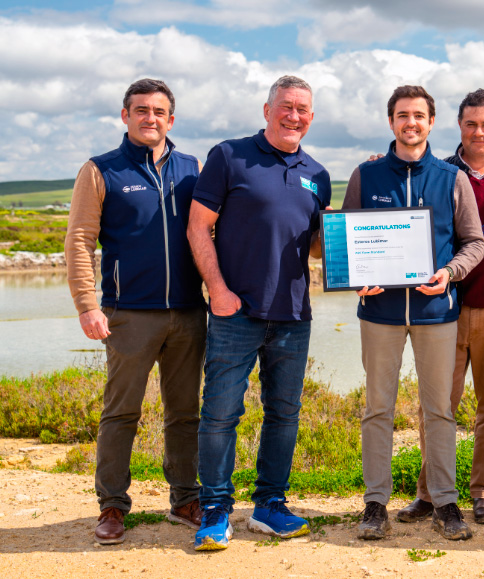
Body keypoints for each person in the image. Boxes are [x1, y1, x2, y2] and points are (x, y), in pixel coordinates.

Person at [187, 75, 331, 551]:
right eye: (286, 106)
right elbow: (197, 227)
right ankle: (215, 509)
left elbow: (313, 247)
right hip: (236, 311)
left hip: (293, 313)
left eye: (303, 109)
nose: (295, 115)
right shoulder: (230, 155)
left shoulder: (318, 173)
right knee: (221, 413)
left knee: (284, 415)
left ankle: (269, 504)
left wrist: (345, 234)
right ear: (266, 109)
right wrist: (218, 290)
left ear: (311, 116)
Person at [65, 78, 207, 545]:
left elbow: (213, 232)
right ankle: (112, 505)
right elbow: (81, 241)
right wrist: (88, 305)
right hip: (128, 314)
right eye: (141, 110)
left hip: (189, 313)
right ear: (125, 116)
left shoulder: (193, 167)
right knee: (121, 413)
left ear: (172, 119)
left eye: (159, 111)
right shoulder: (100, 170)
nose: (151, 118)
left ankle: (185, 498)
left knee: (185, 412)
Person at [343, 85, 484, 541]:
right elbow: (344, 241)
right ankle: (374, 504)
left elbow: (474, 243)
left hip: (435, 312)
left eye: (419, 115)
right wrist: (355, 275)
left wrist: (449, 272)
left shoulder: (451, 177)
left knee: (439, 410)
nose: (411, 122)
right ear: (391, 122)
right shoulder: (366, 176)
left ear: (431, 122)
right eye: (403, 115)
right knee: (377, 409)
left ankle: (445, 501)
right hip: (379, 313)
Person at [395, 89, 484, 526]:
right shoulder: (435, 174)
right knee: (438, 403)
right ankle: (431, 492)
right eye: (471, 123)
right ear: (458, 126)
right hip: (443, 308)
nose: (479, 132)